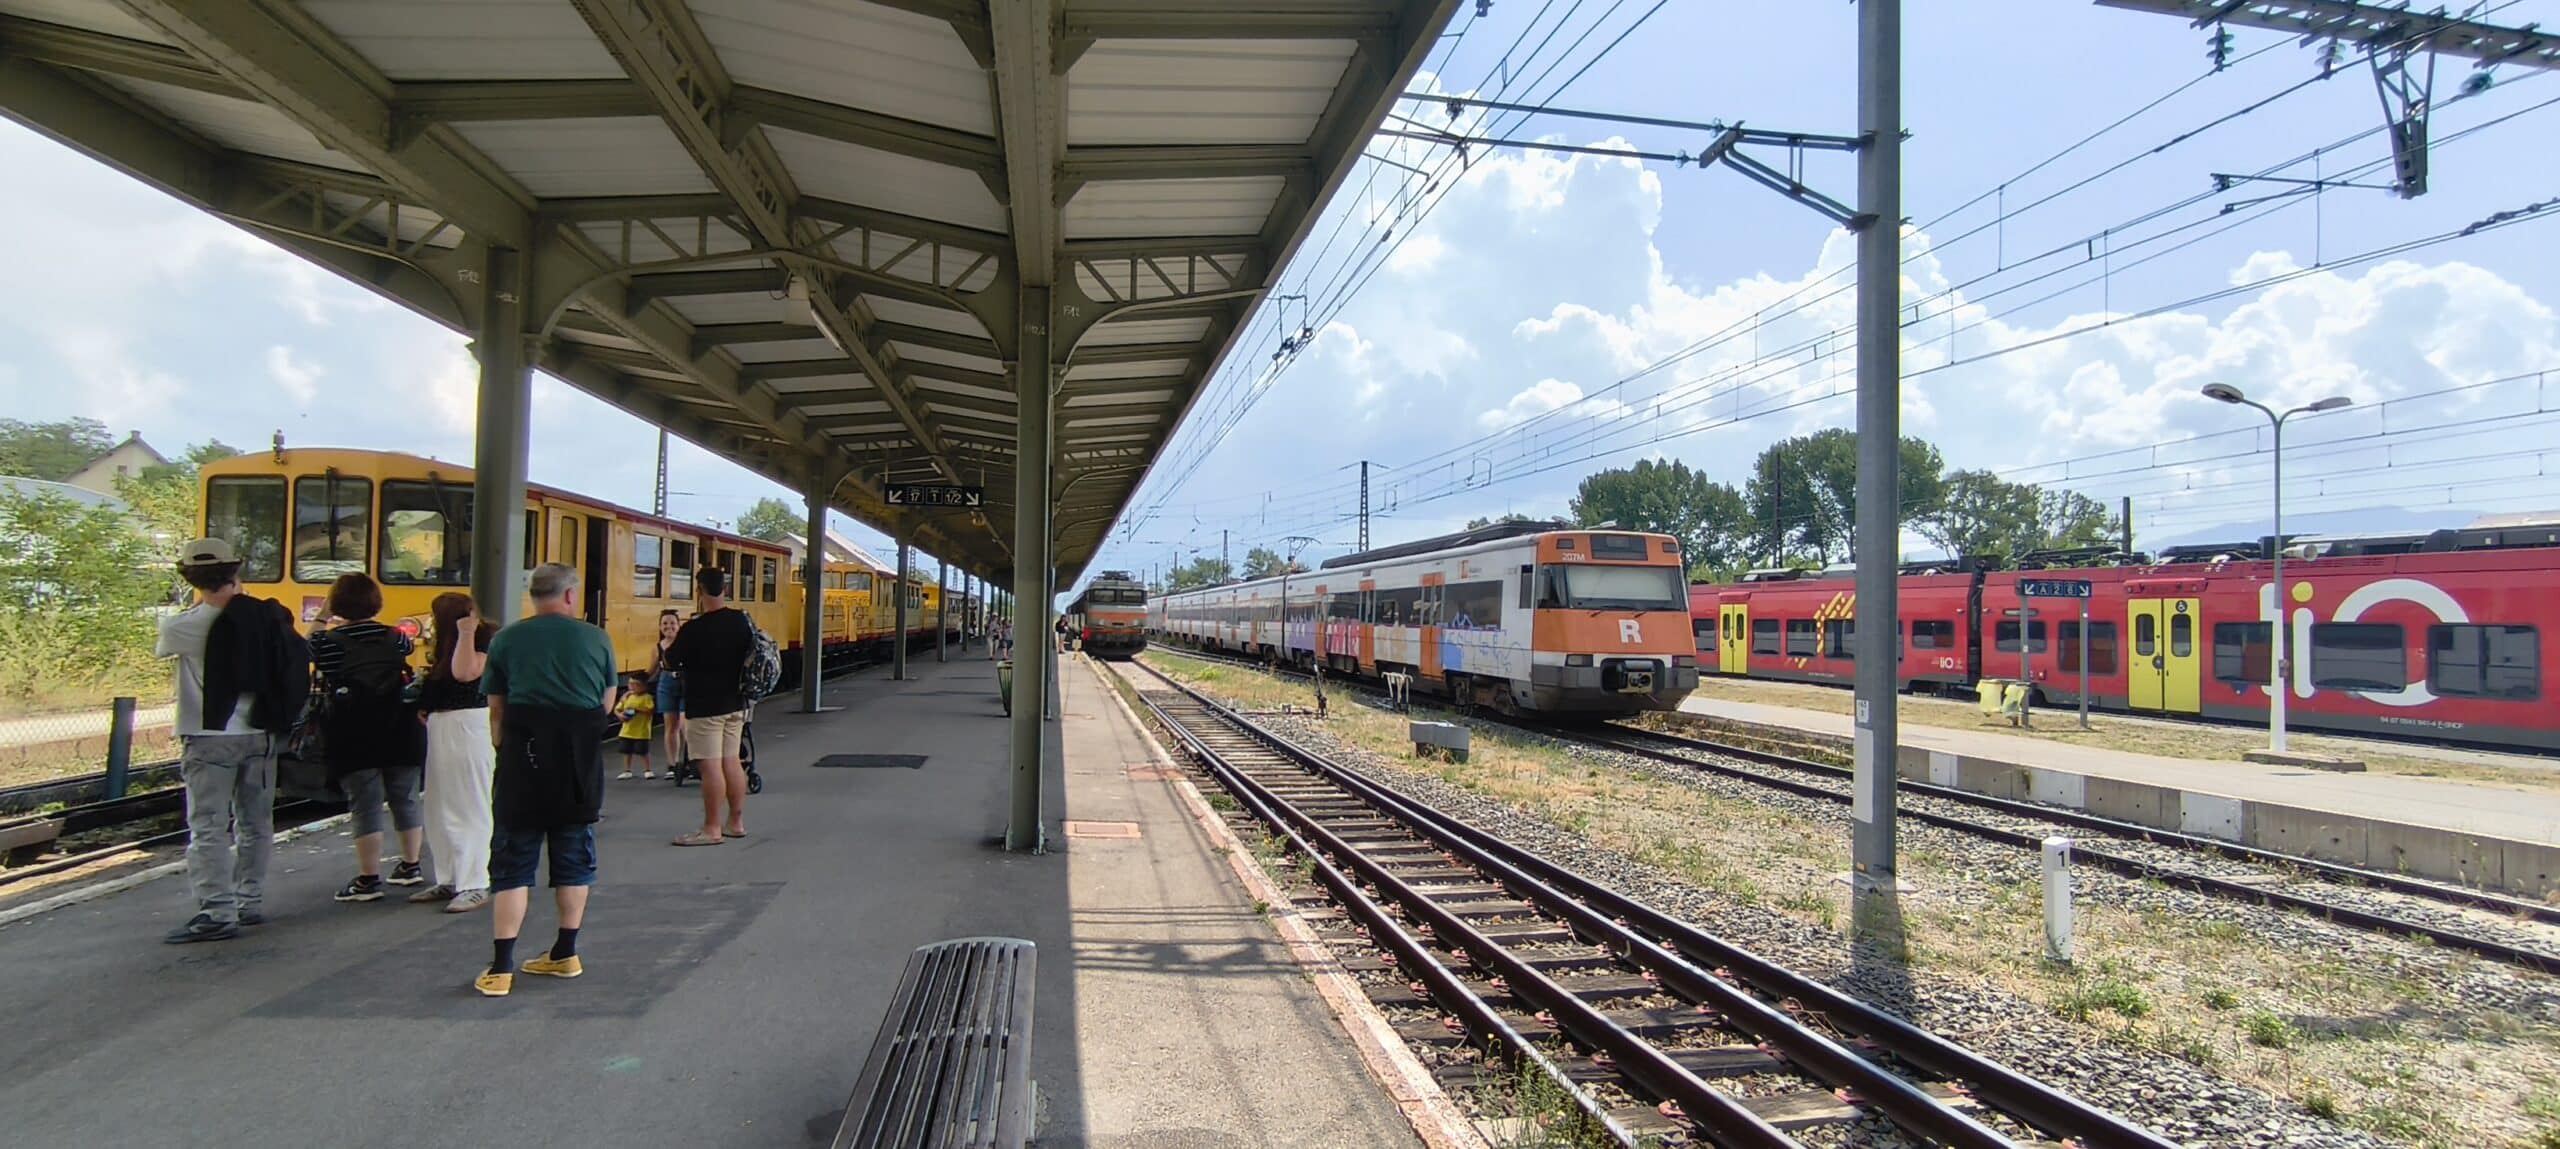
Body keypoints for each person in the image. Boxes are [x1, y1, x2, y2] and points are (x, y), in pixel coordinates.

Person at [474, 563, 617, 998]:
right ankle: (565, 953)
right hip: (578, 765)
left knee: (513, 863)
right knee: (573, 856)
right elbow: (607, 702)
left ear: (533, 596)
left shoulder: (506, 639)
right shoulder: (596, 638)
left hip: (523, 761)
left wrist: (506, 745)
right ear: (570, 595)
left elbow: (496, 708)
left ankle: (501, 968)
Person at [156, 538, 306, 944]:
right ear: (236, 573)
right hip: (261, 734)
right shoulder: (269, 617)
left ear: (189, 578)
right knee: (255, 823)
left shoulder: (181, 626)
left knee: (208, 826)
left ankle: (216, 911)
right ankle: (248, 901)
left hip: (210, 739)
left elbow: (164, 651)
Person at [307, 573, 428, 903]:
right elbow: (406, 657)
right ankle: (410, 865)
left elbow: (308, 645)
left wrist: (323, 615)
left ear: (338, 604)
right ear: (376, 602)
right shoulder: (396, 637)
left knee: (365, 803)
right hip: (400, 725)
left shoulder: (327, 642)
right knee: (405, 797)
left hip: (352, 728)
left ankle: (368, 879)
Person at [410, 592, 494, 913]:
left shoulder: (482, 637)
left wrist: (466, 632)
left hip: (469, 724)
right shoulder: (445, 645)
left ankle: (474, 881)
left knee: (469, 803)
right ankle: (449, 877)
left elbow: (465, 672)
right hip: (442, 725)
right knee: (439, 805)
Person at [664, 565, 757, 846]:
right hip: (736, 704)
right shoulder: (741, 621)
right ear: (725, 589)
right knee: (732, 761)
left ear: (699, 590)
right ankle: (736, 823)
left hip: (705, 707)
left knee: (711, 767)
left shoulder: (694, 628)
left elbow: (670, 660)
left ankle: (711, 828)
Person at [651, 609, 683, 778]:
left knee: (685, 725)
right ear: (659, 627)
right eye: (664, 623)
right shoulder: (658, 647)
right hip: (666, 683)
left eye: (672, 623)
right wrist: (634, 687)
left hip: (685, 684)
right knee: (671, 727)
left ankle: (693, 762)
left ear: (679, 625)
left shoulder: (686, 644)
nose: (668, 626)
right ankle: (672, 764)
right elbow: (651, 670)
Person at [611, 672, 655, 780]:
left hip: (641, 731)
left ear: (644, 686)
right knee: (626, 751)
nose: (632, 687)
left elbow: (650, 710)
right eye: (630, 684)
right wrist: (620, 716)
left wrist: (637, 710)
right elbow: (617, 709)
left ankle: (647, 769)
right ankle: (627, 770)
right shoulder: (627, 697)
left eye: (636, 684)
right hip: (626, 731)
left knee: (642, 751)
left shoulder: (647, 698)